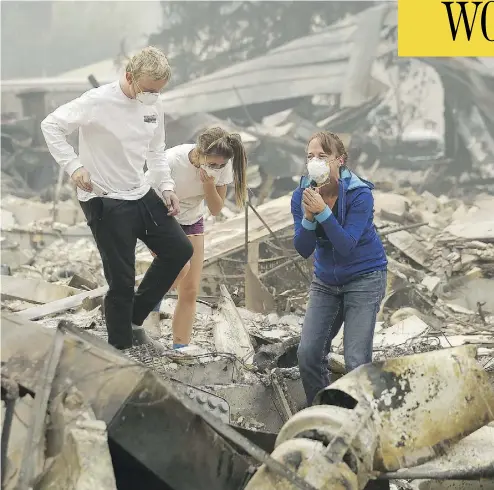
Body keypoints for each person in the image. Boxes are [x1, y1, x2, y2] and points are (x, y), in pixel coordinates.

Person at [41, 46, 193, 354]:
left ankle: (130, 317)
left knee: (179, 249)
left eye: (159, 91)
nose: (154, 95)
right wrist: (74, 166)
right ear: (129, 76)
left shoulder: (153, 103)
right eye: (149, 89)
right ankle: (120, 349)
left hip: (140, 190)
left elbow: (156, 148)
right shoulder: (96, 102)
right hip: (105, 197)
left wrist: (166, 186)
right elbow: (51, 126)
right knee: (122, 280)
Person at [291, 131, 387, 406]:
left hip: (365, 277)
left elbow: (346, 245)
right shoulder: (302, 194)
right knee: (308, 354)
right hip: (325, 282)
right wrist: (309, 219)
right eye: (310, 157)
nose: (315, 162)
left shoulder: (360, 194)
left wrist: (323, 213)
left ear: (340, 160)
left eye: (323, 156)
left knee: (355, 359)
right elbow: (303, 248)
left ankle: (362, 420)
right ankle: (324, 412)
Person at [145, 127, 247, 350]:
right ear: (199, 153)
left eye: (220, 165)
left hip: (192, 219)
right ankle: (148, 303)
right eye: (211, 164)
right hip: (161, 217)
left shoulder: (222, 166)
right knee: (175, 270)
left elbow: (216, 208)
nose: (216, 168)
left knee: (190, 288)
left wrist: (210, 184)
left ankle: (180, 346)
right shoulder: (172, 160)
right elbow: (145, 197)